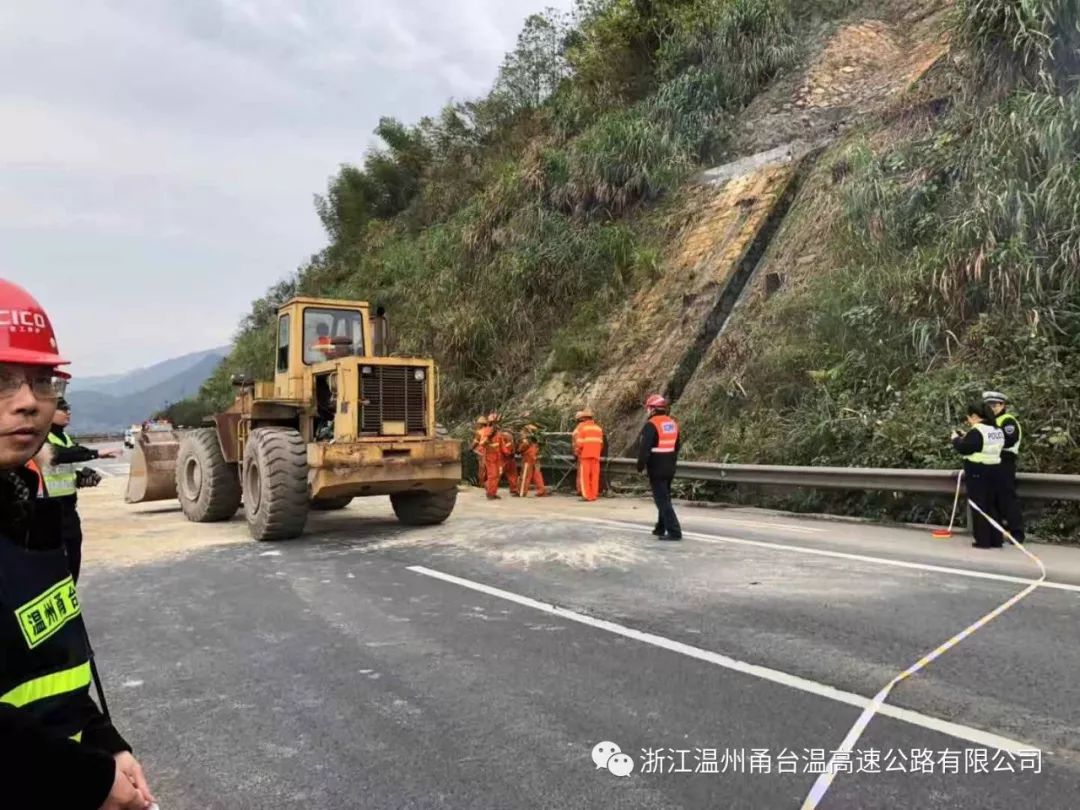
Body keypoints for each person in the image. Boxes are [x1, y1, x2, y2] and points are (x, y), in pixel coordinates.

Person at [0, 279, 155, 809]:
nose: (28, 403)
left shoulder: (20, 510)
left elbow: (44, 671)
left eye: (41, 382)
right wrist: (85, 781)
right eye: (2, 381)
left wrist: (100, 739)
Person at [46, 399, 120, 582]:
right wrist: (96, 454)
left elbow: (66, 465)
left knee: (73, 561)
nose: (68, 412)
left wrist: (81, 479)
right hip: (48, 510)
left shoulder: (65, 438)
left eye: (69, 409)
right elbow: (59, 455)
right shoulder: (41, 438)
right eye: (63, 409)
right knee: (55, 567)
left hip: (69, 509)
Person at [951, 401, 1006, 549]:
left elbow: (966, 448)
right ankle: (996, 539)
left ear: (975, 416)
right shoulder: (997, 430)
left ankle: (983, 540)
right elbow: (982, 444)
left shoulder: (977, 431)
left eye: (969, 418)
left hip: (978, 472)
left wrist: (955, 439)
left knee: (979, 506)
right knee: (993, 506)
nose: (969, 421)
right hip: (995, 470)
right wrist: (966, 436)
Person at [637, 395, 683, 541]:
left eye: (648, 408)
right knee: (665, 497)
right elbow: (676, 446)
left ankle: (674, 531)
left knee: (662, 500)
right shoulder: (672, 423)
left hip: (656, 467)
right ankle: (660, 528)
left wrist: (640, 466)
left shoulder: (652, 424)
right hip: (670, 465)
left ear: (652, 409)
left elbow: (644, 449)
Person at [984, 391, 1024, 543]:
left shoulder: (1007, 421)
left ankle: (1017, 533)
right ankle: (996, 533)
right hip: (990, 462)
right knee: (992, 500)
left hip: (1004, 461)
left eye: (995, 405)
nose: (992, 408)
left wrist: (988, 443)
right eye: (989, 405)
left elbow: (1009, 440)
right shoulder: (988, 422)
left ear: (1003, 405)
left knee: (1007, 499)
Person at [572, 408, 604, 502]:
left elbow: (579, 443)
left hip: (585, 456)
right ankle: (594, 495)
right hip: (596, 456)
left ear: (583, 418)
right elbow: (601, 444)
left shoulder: (582, 428)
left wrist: (577, 453)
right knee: (594, 477)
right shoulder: (598, 428)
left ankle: (586, 495)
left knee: (585, 476)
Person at [516, 425, 549, 497]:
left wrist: (519, 450)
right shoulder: (537, 439)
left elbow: (524, 445)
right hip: (535, 457)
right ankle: (542, 491)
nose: (522, 431)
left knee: (525, 475)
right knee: (537, 474)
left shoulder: (526, 438)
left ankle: (522, 492)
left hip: (528, 457)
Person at [480, 413, 505, 500]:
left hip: (497, 456)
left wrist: (506, 452)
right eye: (496, 422)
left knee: (497, 475)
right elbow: (482, 443)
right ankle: (490, 493)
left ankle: (493, 492)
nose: (497, 424)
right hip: (490, 455)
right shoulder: (486, 431)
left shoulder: (498, 432)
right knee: (492, 475)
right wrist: (490, 436)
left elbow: (501, 444)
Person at [498, 423, 520, 497]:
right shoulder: (504, 436)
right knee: (499, 473)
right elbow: (504, 447)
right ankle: (490, 487)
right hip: (505, 457)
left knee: (512, 474)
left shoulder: (506, 435)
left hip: (509, 456)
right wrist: (508, 453)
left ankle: (514, 489)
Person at [470, 415, 489, 489]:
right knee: (488, 467)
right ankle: (487, 483)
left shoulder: (479, 432)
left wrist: (471, 448)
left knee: (481, 467)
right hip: (490, 451)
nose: (477, 425)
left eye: (478, 424)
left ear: (481, 424)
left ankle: (481, 483)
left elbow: (476, 442)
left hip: (481, 451)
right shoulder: (489, 431)